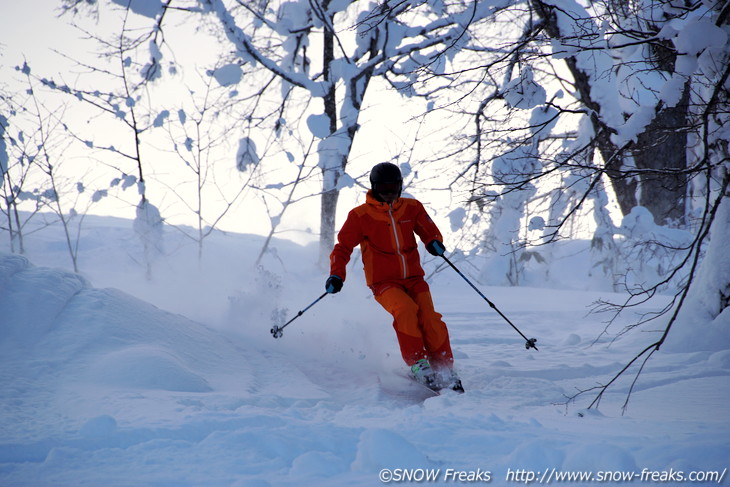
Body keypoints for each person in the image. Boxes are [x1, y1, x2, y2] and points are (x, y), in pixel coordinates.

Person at [325, 162, 463, 393]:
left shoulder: (412, 208)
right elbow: (342, 248)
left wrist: (433, 242)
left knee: (430, 318)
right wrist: (337, 275)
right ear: (374, 187)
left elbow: (428, 229)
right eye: (383, 188)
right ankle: (418, 363)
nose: (389, 194)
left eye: (393, 188)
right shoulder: (360, 216)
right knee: (406, 310)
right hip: (383, 282)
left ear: (400, 186)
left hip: (414, 278)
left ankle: (444, 366)